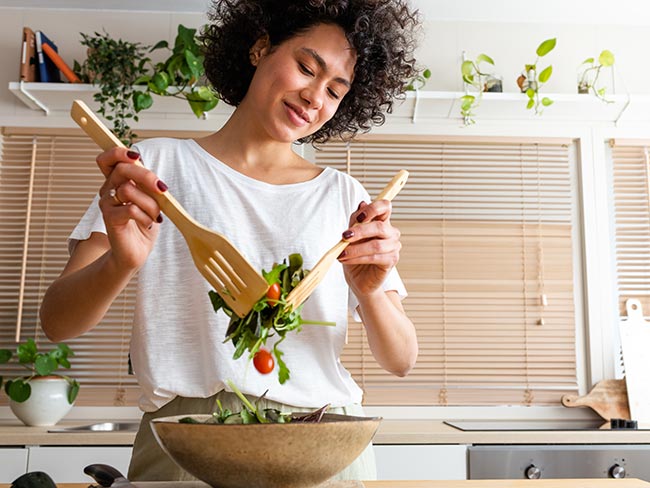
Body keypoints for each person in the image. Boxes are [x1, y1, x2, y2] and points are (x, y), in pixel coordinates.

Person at [40, 0, 420, 481]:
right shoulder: (154, 169)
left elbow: (402, 358)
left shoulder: (344, 195)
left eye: (335, 91)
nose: (314, 97)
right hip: (186, 439)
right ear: (260, 47)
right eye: (306, 68)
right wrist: (121, 262)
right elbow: (57, 323)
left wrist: (369, 291)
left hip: (322, 440)